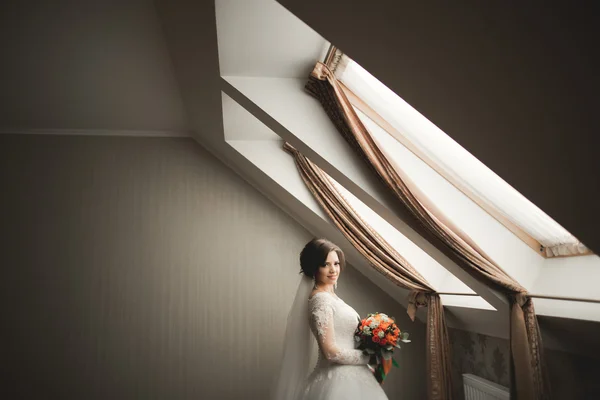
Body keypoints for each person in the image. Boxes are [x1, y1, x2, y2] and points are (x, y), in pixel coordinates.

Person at [271, 238, 388, 400]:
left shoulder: (332, 298)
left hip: (355, 378)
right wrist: (369, 357)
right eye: (325, 265)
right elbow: (330, 352)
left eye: (336, 263)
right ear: (314, 268)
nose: (333, 270)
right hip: (337, 381)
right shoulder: (321, 300)